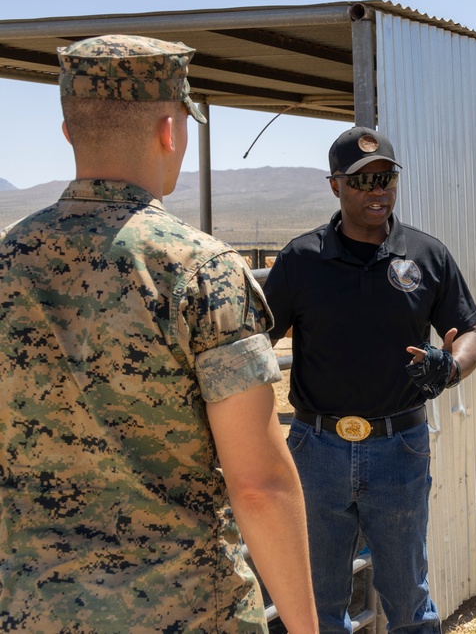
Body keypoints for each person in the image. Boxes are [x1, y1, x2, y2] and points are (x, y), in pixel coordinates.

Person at [0, 35, 317, 632]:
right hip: (184, 611)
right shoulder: (202, 272)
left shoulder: (6, 258)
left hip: (30, 609)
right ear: (171, 131)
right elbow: (258, 486)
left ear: (69, 132)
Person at [263, 126, 476, 634]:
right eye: (362, 181)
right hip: (316, 449)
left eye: (385, 177)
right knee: (316, 605)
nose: (377, 190)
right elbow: (258, 343)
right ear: (335, 186)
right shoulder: (302, 259)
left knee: (409, 600)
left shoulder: (427, 255)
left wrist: (450, 366)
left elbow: (471, 333)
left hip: (399, 449)